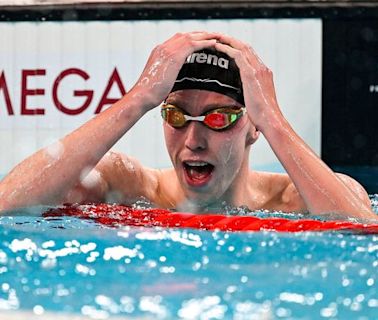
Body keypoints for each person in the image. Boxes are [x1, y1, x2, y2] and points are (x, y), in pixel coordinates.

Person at [0, 31, 376, 220]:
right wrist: (138, 98)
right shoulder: (128, 186)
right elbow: (8, 206)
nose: (193, 140)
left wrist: (274, 121)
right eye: (176, 116)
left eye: (218, 118)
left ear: (253, 128)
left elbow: (364, 238)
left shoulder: (296, 200)